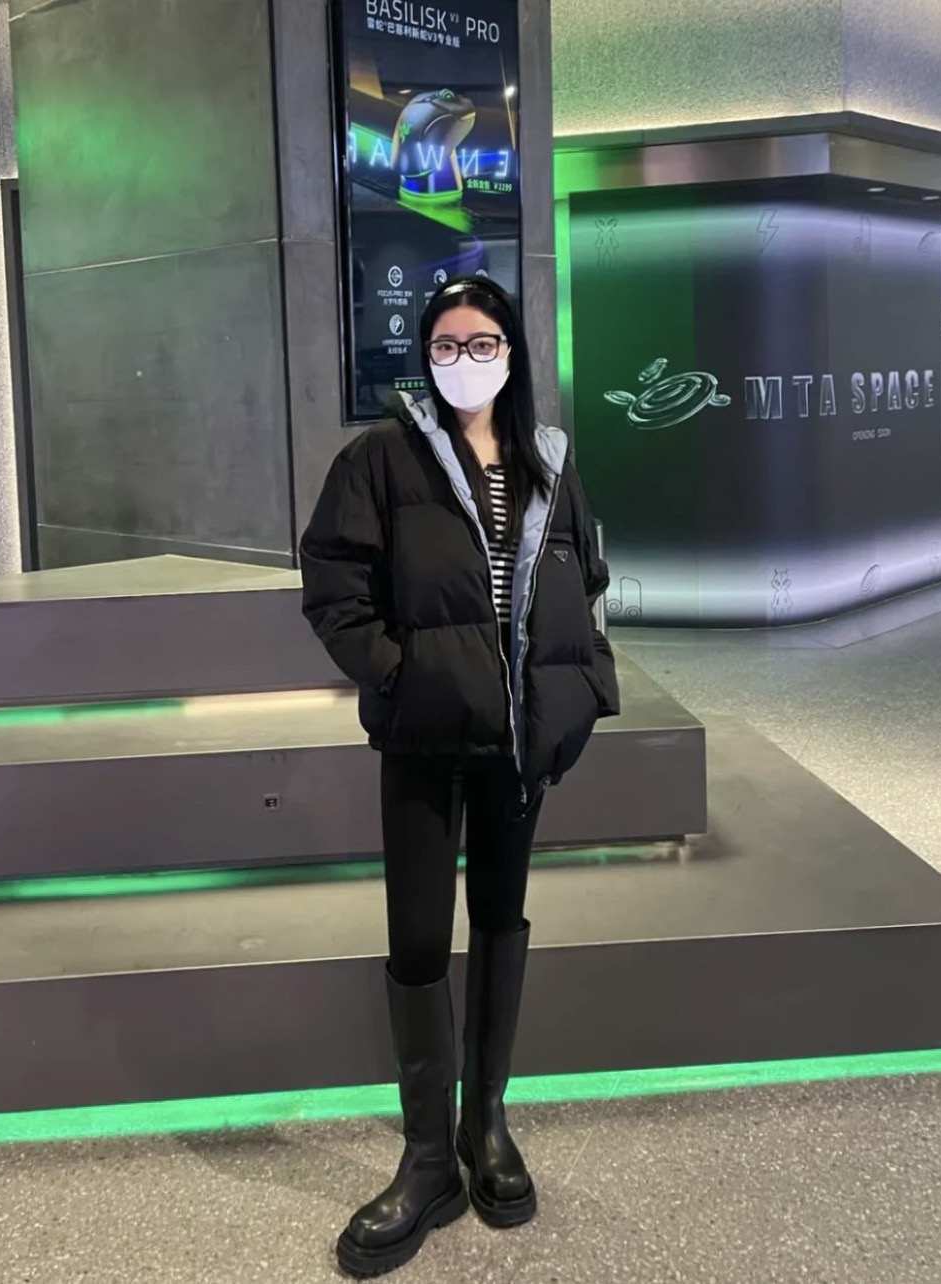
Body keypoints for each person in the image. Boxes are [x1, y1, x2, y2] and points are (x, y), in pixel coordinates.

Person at [300, 276, 620, 1278]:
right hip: (423, 743)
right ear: (425, 356)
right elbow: (335, 589)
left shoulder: (547, 462)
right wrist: (403, 678)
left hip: (517, 746)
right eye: (446, 344)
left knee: (500, 919)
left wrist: (582, 691)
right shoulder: (379, 459)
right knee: (416, 939)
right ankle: (429, 1156)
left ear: (512, 354)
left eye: (482, 342)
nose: (464, 360)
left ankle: (486, 1124)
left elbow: (587, 583)